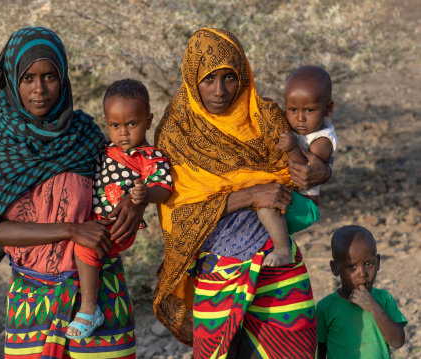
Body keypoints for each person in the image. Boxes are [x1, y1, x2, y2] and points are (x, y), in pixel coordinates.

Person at [0, 27, 145, 358]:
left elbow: (129, 171)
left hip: (100, 295)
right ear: (12, 80)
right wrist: (70, 230)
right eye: (28, 78)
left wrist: (136, 202)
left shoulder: (86, 135)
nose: (39, 89)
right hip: (31, 300)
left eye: (49, 76)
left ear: (63, 78)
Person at [153, 27, 332, 359]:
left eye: (230, 78)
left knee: (293, 351)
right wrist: (250, 195)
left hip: (274, 258)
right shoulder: (177, 132)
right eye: (209, 79)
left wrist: (325, 169)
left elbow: (306, 169)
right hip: (215, 269)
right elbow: (178, 213)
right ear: (193, 79)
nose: (220, 91)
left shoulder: (264, 116)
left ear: (244, 75)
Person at [66, 79, 172, 339]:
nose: (123, 132)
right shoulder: (105, 148)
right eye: (115, 125)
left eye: (132, 124)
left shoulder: (150, 157)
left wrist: (145, 194)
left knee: (86, 247)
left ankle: (90, 309)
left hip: (118, 225)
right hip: (96, 219)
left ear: (148, 120)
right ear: (106, 123)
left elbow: (164, 188)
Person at [258, 65, 339, 267]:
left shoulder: (323, 140)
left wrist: (293, 148)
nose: (299, 118)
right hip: (293, 197)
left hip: (306, 204)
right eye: (292, 110)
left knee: (266, 204)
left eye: (309, 110)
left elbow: (306, 173)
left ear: (328, 109)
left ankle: (283, 250)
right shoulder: (295, 125)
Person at [316, 225, 407, 358]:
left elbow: (397, 342)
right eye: (352, 266)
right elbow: (320, 350)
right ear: (335, 268)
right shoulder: (326, 307)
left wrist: (374, 308)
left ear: (378, 262)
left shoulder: (384, 299)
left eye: (369, 264)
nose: (362, 274)